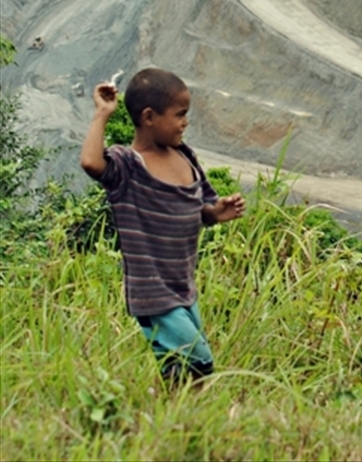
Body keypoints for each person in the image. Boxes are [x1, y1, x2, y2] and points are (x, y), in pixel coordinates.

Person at [80, 68, 245, 385]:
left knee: (181, 369)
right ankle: (179, 422)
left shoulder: (185, 157)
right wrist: (102, 114)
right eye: (179, 114)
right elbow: (91, 162)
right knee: (197, 362)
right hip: (152, 292)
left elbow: (202, 208)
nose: (185, 122)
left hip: (184, 286)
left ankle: (175, 422)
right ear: (149, 117)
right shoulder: (128, 165)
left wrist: (215, 213)